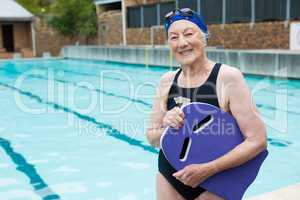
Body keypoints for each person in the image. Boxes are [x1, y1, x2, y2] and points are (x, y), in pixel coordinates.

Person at [146, 8, 267, 200]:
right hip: (169, 174)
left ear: (204, 37)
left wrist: (210, 168)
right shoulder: (166, 81)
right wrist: (168, 127)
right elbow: (151, 138)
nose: (182, 43)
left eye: (188, 34)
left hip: (216, 180)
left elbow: (257, 140)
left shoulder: (227, 77)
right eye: (174, 37)